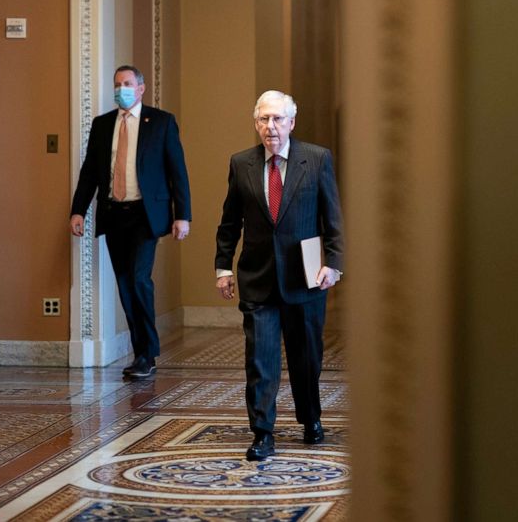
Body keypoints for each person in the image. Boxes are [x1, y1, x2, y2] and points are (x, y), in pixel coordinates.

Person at [215, 90, 344, 461]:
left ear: (291, 122)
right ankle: (263, 433)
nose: (270, 127)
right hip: (258, 279)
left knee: (307, 359)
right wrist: (223, 267)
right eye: (263, 119)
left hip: (306, 279)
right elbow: (229, 222)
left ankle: (310, 419)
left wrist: (333, 264)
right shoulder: (242, 164)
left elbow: (332, 218)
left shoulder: (316, 159)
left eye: (277, 119)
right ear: (256, 123)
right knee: (260, 359)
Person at [70, 65, 192, 379]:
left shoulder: (161, 122)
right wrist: (78, 211)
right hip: (114, 213)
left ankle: (147, 354)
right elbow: (89, 174)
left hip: (146, 215)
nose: (121, 89)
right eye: (117, 84)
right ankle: (141, 353)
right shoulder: (102, 125)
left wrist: (183, 216)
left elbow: (177, 171)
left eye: (127, 83)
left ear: (140, 88)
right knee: (125, 284)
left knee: (139, 279)